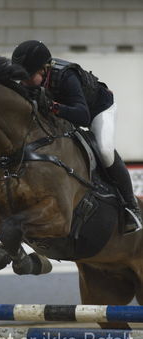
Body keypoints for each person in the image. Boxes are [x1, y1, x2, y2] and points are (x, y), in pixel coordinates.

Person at [11, 40, 142, 234]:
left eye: (28, 77)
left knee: (105, 151)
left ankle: (131, 207)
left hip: (97, 110)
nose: (24, 83)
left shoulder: (66, 76)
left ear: (44, 69)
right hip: (66, 114)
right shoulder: (28, 80)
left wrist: (53, 107)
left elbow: (82, 115)